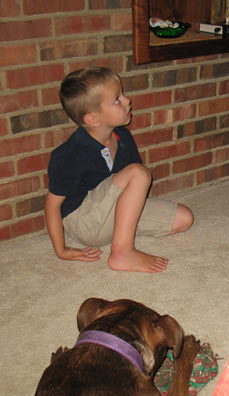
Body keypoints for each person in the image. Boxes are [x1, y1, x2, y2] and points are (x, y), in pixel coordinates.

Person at [45, 67, 193, 273]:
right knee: (139, 173)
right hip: (85, 222)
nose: (127, 100)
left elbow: (129, 190)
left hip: (111, 216)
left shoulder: (122, 137)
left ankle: (123, 234)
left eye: (123, 95)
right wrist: (60, 250)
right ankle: (122, 253)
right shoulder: (70, 154)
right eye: (117, 99)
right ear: (93, 119)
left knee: (184, 219)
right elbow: (52, 205)